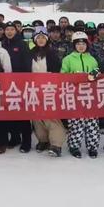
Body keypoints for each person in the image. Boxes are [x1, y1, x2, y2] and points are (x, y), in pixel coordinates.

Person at [61, 31, 100, 158]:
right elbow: (62, 76)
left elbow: (97, 73)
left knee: (92, 123)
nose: (81, 46)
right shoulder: (68, 59)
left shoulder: (92, 59)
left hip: (90, 96)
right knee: (75, 123)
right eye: (78, 44)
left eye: (83, 43)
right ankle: (74, 146)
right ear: (74, 45)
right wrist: (73, 77)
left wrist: (95, 73)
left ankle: (92, 147)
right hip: (75, 95)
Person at [30, 28, 65, 157]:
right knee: (37, 117)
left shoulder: (52, 53)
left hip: (49, 88)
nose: (40, 40)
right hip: (34, 89)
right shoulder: (30, 53)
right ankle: (43, 140)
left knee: (51, 116)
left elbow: (57, 71)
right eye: (38, 38)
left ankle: (56, 144)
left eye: (43, 38)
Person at [2, 21, 32, 153]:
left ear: (16, 31)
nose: (9, 32)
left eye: (12, 30)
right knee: (10, 113)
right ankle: (15, 138)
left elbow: (27, 64)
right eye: (7, 29)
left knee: (23, 114)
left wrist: (24, 81)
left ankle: (26, 142)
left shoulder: (22, 44)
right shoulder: (2, 44)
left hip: (20, 83)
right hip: (6, 84)